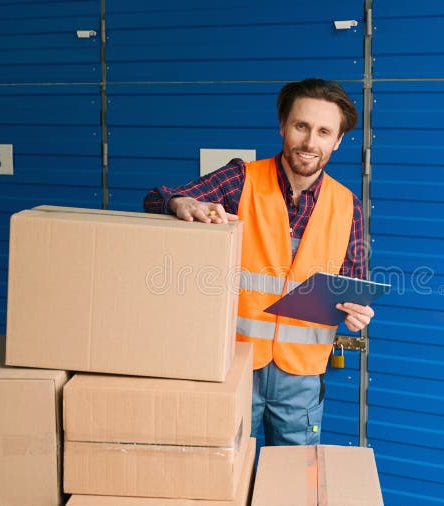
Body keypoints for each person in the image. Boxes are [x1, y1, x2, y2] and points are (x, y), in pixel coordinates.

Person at [143, 78, 375, 446]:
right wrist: (181, 204)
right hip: (232, 365)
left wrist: (357, 312)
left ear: (337, 140)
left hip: (302, 377)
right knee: (226, 474)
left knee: (293, 483)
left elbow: (354, 287)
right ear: (283, 125)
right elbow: (160, 197)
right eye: (301, 126)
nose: (310, 142)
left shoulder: (349, 206)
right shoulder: (241, 179)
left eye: (323, 131)